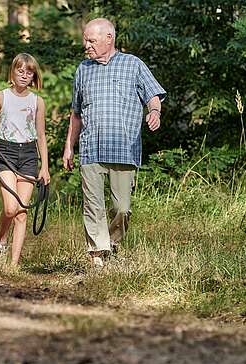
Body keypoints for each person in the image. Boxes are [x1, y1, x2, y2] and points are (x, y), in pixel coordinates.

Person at [62, 18, 167, 268]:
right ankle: (97, 256)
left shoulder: (133, 65)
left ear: (109, 38)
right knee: (93, 206)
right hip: (90, 149)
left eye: (91, 40)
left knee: (122, 208)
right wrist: (69, 146)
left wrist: (154, 112)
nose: (86, 45)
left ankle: (111, 243)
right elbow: (76, 113)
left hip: (124, 149)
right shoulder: (83, 70)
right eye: (85, 40)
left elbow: (153, 96)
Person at [0, 53, 51, 266]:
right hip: (6, 153)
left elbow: (41, 135)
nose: (24, 75)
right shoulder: (0, 97)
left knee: (22, 212)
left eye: (28, 72)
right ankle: (1, 238)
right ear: (12, 72)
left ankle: (13, 264)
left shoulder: (37, 101)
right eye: (20, 71)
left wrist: (45, 167)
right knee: (10, 208)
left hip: (29, 156)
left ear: (33, 76)